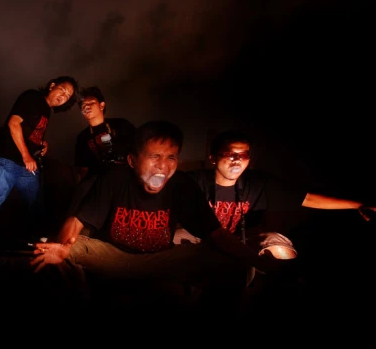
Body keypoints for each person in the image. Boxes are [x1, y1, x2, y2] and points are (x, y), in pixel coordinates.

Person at [30, 120, 295, 316]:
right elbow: (77, 221)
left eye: (171, 157)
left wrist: (261, 263)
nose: (163, 165)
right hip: (114, 256)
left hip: (160, 259)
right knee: (53, 250)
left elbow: (217, 235)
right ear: (133, 161)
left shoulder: (181, 185)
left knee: (231, 262)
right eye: (154, 156)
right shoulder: (115, 178)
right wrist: (63, 247)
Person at [180, 130, 374, 256]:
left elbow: (306, 198)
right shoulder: (194, 180)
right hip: (200, 239)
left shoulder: (258, 182)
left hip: (241, 239)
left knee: (280, 247)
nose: (237, 160)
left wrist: (358, 205)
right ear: (213, 158)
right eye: (230, 154)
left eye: (243, 155)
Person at [0, 75, 79, 252]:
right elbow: (14, 124)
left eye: (67, 96)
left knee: (36, 203)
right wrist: (27, 155)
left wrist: (42, 143)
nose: (63, 96)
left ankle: (36, 241)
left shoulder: (47, 111)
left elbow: (31, 132)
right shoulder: (32, 97)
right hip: (7, 159)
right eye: (63, 90)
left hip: (25, 167)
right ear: (52, 85)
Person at [68, 86, 136, 220]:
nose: (86, 106)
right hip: (99, 178)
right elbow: (82, 167)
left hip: (125, 173)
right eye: (83, 104)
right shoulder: (83, 137)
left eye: (90, 102)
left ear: (102, 105)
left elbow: (139, 147)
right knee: (80, 193)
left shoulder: (121, 125)